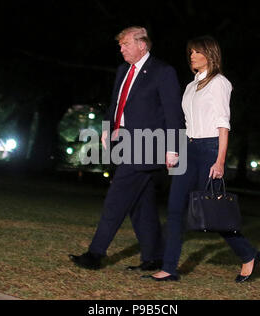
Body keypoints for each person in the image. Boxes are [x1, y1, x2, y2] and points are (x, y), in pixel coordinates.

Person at [144, 35, 260, 282]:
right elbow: (187, 123)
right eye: (191, 53)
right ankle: (169, 268)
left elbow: (223, 125)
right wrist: (175, 151)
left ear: (211, 54)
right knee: (175, 210)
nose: (192, 56)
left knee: (213, 212)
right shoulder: (190, 87)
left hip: (209, 150)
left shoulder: (219, 83)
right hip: (189, 149)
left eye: (198, 52)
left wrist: (220, 161)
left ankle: (248, 255)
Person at [69, 26, 185, 271]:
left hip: (147, 145)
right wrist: (106, 128)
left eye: (125, 44)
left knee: (116, 199)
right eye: (120, 45)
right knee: (141, 204)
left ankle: (95, 254)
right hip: (124, 143)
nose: (121, 49)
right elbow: (116, 104)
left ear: (142, 45)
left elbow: (174, 112)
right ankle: (154, 257)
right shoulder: (123, 70)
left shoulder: (163, 72)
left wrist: (173, 148)